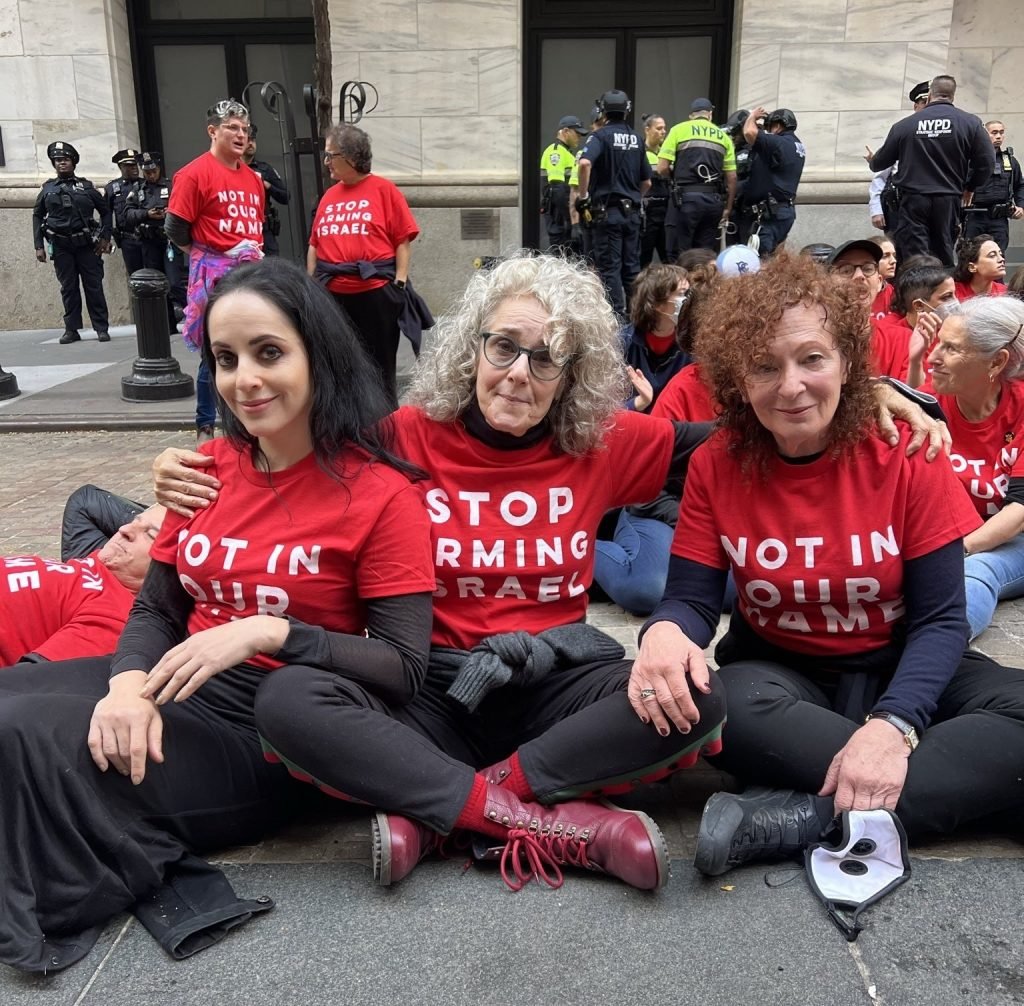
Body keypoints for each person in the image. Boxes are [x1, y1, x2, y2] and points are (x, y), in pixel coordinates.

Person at [156, 253, 729, 895]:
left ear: (572, 374)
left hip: (554, 685)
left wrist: (853, 413)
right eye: (504, 347)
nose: (518, 374)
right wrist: (190, 469)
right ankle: (531, 817)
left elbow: (723, 444)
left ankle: (444, 813)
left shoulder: (602, 439)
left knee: (699, 696)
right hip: (431, 693)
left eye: (546, 359)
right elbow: (289, 452)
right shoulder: (404, 436)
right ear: (472, 349)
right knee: (290, 699)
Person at [0, 258, 436, 974]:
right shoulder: (210, 466)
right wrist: (124, 687)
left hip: (269, 728)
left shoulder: (381, 496)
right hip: (171, 684)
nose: (246, 380)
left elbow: (402, 669)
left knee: (20, 736)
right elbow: (157, 606)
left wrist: (271, 632)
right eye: (226, 359)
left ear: (315, 354)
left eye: (269, 353)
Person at [633, 251, 1024, 878]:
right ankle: (956, 792)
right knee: (721, 706)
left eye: (812, 359)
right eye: (765, 366)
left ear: (846, 361)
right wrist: (662, 633)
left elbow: (943, 620)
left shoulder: (907, 451)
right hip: (777, 674)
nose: (791, 386)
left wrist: (893, 724)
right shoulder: (717, 462)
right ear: (738, 377)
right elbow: (692, 599)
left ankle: (797, 819)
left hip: (900, 659)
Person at [909, 297, 1024, 640]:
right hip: (951, 533)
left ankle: (933, 654)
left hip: (1011, 539)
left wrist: (952, 551)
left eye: (951, 349)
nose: (934, 358)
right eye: (936, 344)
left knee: (974, 572)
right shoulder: (931, 400)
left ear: (997, 361)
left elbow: (1019, 511)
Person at [165, 98, 266, 444]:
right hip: (213, 274)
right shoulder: (193, 174)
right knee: (216, 348)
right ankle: (206, 426)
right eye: (232, 128)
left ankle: (245, 423)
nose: (240, 135)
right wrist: (203, 254)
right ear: (213, 131)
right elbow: (175, 226)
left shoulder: (253, 179)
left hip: (251, 274)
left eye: (245, 129)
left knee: (251, 345)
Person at [308, 122, 430, 407]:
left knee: (379, 364)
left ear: (351, 157)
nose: (326, 162)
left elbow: (402, 239)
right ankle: (349, 425)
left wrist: (399, 282)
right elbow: (314, 243)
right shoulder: (329, 195)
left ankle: (385, 424)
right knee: (339, 366)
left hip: (375, 293)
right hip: (333, 295)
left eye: (331, 155)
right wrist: (310, 283)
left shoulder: (384, 190)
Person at [0, 504, 165, 667]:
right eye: (134, 521)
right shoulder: (93, 567)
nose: (124, 529)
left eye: (150, 534)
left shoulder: (116, 616)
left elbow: (28, 679)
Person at [867, 75, 992, 267]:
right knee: (943, 249)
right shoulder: (970, 123)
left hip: (913, 199)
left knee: (914, 254)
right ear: (952, 95)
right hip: (948, 198)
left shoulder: (905, 125)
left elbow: (881, 163)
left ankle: (916, 291)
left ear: (930, 94)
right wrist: (971, 186)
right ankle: (943, 292)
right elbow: (986, 162)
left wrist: (872, 161)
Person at [576, 90, 651, 315]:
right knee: (632, 269)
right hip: (632, 214)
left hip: (607, 214)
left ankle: (617, 320)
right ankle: (638, 317)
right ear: (626, 110)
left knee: (610, 269)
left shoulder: (599, 137)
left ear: (603, 111)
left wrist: (583, 197)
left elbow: (584, 164)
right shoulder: (637, 138)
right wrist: (633, 196)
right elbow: (646, 181)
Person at [32, 141, 112, 344]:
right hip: (61, 246)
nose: (62, 164)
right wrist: (39, 246)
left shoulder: (86, 187)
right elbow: (37, 215)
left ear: (74, 162)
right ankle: (71, 329)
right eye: (58, 160)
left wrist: (105, 237)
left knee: (93, 286)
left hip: (86, 245)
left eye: (66, 160)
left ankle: (101, 328)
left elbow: (105, 211)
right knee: (68, 288)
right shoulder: (48, 188)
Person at [657, 98, 736, 257]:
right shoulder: (724, 137)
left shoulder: (679, 130)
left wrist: (674, 177)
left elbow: (662, 167)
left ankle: (682, 282)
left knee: (679, 253)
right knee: (704, 255)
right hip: (713, 202)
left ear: (691, 116)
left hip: (685, 200)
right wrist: (727, 207)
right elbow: (732, 178)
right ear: (710, 115)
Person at [123, 151, 186, 328]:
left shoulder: (171, 186)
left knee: (174, 283)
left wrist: (169, 213)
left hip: (169, 242)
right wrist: (146, 214)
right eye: (147, 172)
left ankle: (195, 313)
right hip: (149, 242)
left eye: (153, 171)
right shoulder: (138, 190)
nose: (151, 174)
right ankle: (168, 324)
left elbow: (184, 209)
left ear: (159, 169)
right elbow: (127, 214)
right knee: (157, 284)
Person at [873, 261, 955, 381]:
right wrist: (916, 362)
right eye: (946, 297)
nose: (956, 302)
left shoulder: (954, 335)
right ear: (918, 305)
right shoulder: (890, 337)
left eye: (954, 295)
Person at [739, 107, 805, 256]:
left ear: (779, 125)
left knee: (761, 261)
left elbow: (749, 132)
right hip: (784, 211)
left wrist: (752, 116)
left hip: (770, 214)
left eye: (770, 127)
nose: (769, 131)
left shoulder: (780, 143)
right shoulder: (797, 145)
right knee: (774, 258)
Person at [868, 82, 931, 233]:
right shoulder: (902, 132)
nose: (927, 107)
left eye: (930, 103)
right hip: (901, 206)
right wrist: (876, 209)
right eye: (923, 103)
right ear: (915, 107)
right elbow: (881, 175)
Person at [963, 120, 1024, 254]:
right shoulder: (970, 160)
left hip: (999, 218)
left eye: (1001, 133)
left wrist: (1021, 206)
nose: (998, 136)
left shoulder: (1010, 161)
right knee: (970, 256)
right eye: (994, 133)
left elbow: (1020, 185)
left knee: (998, 256)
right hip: (975, 216)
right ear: (985, 134)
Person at [540, 115, 587, 255]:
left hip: (564, 217)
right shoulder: (556, 152)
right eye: (577, 133)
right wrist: (571, 221)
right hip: (559, 217)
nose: (579, 137)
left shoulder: (566, 153)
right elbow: (557, 189)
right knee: (561, 258)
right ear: (565, 131)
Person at [243, 124, 289, 256]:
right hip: (241, 232)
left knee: (271, 271)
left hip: (264, 232)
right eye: (248, 140)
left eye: (253, 140)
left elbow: (285, 196)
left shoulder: (264, 169)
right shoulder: (230, 168)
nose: (251, 143)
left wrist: (267, 186)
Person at [105, 148, 143, 279]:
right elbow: (107, 214)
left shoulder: (146, 184)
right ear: (121, 166)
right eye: (129, 165)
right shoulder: (112, 188)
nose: (134, 168)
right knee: (135, 278)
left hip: (149, 238)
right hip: (128, 239)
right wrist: (106, 238)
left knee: (155, 276)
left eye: (135, 164)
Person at [639, 113, 670, 267]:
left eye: (664, 128)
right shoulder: (639, 152)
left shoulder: (667, 153)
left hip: (666, 210)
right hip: (647, 211)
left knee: (668, 256)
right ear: (647, 130)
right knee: (643, 257)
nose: (663, 131)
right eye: (659, 128)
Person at [952, 233, 1007, 300]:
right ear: (972, 267)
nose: (1001, 259)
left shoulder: (1005, 293)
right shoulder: (952, 293)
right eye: (992, 255)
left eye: (1001, 254)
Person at [869, 233, 898, 316]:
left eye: (894, 256)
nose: (893, 261)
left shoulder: (893, 292)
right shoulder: (857, 296)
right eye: (885, 256)